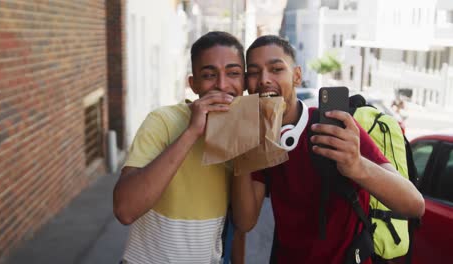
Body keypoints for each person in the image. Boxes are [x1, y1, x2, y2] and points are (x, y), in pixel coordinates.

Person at [231, 35, 425, 264]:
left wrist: (357, 165)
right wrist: (240, 147)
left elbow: (414, 205)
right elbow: (245, 221)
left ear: (297, 76)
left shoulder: (335, 125)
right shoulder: (259, 139)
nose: (264, 79)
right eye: (254, 72)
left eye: (276, 69)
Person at [113, 31, 246, 264]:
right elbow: (125, 210)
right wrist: (192, 132)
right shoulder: (161, 121)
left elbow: (239, 225)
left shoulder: (244, 134)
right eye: (209, 74)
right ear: (193, 84)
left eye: (233, 73)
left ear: (244, 81)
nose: (222, 84)